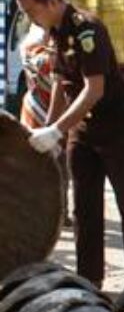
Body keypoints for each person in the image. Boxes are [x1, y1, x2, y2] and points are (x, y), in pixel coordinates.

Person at [11, 0, 124, 289]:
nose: (32, 20)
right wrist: (50, 129)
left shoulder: (87, 28)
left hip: (116, 127)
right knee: (84, 207)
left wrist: (58, 129)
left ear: (51, 1)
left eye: (32, 11)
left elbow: (94, 89)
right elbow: (61, 84)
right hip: (83, 131)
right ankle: (90, 281)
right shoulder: (54, 32)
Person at [19, 24, 73, 227]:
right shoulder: (40, 51)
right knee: (54, 164)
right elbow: (49, 67)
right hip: (44, 110)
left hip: (43, 110)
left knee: (56, 163)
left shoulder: (31, 48)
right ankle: (56, 212)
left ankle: (59, 211)